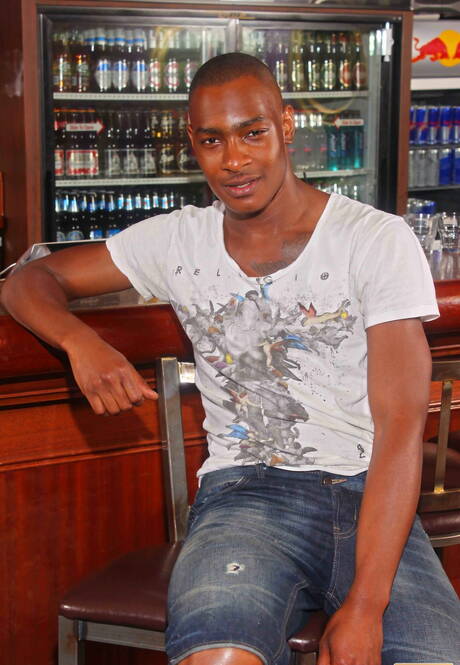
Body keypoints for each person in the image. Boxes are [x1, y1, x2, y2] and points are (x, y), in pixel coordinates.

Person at [2, 52, 459, 665]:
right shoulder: (177, 239)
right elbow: (28, 282)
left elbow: (401, 427)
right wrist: (79, 341)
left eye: (253, 133)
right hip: (246, 495)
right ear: (192, 143)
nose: (234, 160)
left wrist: (366, 606)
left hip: (368, 489)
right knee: (218, 656)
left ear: (287, 126)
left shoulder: (374, 238)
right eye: (212, 140)